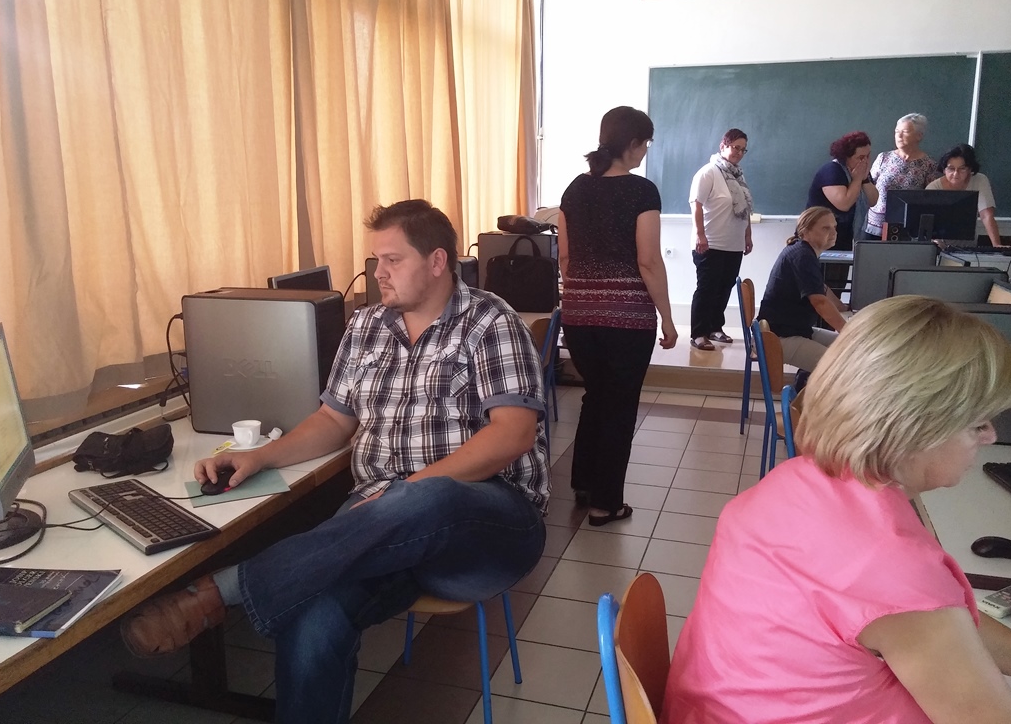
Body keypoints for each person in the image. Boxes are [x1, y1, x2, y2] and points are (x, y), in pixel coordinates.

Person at [120, 200, 550, 724]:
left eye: (393, 260)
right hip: (379, 528)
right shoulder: (366, 325)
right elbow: (332, 420)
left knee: (428, 496)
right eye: (376, 260)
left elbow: (512, 435)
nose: (378, 273)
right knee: (314, 613)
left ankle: (223, 590)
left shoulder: (490, 321)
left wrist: (404, 493)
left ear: (437, 261)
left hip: (486, 524)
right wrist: (260, 456)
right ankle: (243, 593)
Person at [661, 295, 1011, 724]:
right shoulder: (893, 569)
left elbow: (945, 623)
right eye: (977, 423)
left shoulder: (795, 481)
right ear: (917, 426)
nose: (990, 437)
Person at [558, 105, 676, 526]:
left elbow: (565, 258)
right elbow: (648, 261)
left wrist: (587, 295)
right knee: (619, 406)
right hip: (627, 318)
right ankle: (606, 503)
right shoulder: (641, 191)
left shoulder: (575, 189)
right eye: (645, 143)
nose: (645, 151)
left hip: (578, 315)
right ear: (633, 143)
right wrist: (667, 318)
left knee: (595, 395)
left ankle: (584, 484)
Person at [757, 206, 848, 374]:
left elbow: (820, 288)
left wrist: (843, 308)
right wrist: (848, 330)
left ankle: (805, 383)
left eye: (834, 227)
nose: (834, 232)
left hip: (793, 329)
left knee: (851, 349)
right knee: (840, 369)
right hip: (779, 337)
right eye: (825, 228)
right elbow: (819, 302)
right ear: (805, 231)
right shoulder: (803, 256)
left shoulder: (803, 251)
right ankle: (807, 388)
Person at [688, 128, 754, 351]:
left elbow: (745, 210)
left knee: (724, 288)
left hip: (733, 244)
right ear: (723, 146)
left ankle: (715, 328)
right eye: (735, 147)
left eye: (743, 149)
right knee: (707, 289)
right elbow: (696, 204)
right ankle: (698, 333)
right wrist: (700, 234)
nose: (739, 153)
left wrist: (747, 235)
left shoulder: (738, 177)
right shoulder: (708, 172)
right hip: (710, 243)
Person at [806, 131, 879, 293]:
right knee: (818, 290)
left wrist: (864, 179)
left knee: (836, 289)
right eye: (860, 157)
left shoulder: (860, 172)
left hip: (842, 240)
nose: (866, 161)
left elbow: (873, 200)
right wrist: (857, 180)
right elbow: (844, 203)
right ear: (846, 156)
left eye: (868, 156)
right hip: (819, 241)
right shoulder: (832, 171)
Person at [864, 113, 940, 239]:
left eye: (905, 132)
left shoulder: (929, 164)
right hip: (875, 227)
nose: (899, 136)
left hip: (908, 229)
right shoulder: (884, 158)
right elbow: (868, 185)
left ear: (919, 136)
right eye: (896, 131)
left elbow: (930, 199)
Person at [926, 143, 1003, 247]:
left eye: (962, 168)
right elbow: (927, 223)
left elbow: (986, 215)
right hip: (939, 246)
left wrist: (997, 245)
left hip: (969, 247)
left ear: (970, 169)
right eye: (951, 168)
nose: (955, 174)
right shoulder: (933, 188)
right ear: (944, 169)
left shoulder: (980, 180)